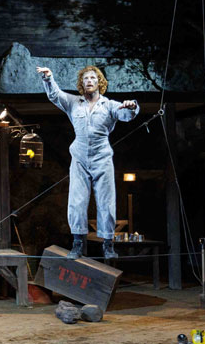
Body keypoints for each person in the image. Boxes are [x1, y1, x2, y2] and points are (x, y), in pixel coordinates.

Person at [36, 65, 138, 259]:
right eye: (85, 79)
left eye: (92, 78)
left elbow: (126, 115)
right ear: (82, 84)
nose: (89, 81)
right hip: (80, 157)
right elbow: (55, 95)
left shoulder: (109, 105)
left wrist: (132, 106)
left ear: (99, 82)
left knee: (106, 201)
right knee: (76, 200)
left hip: (102, 157)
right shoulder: (74, 102)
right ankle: (77, 243)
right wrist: (48, 78)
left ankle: (108, 244)